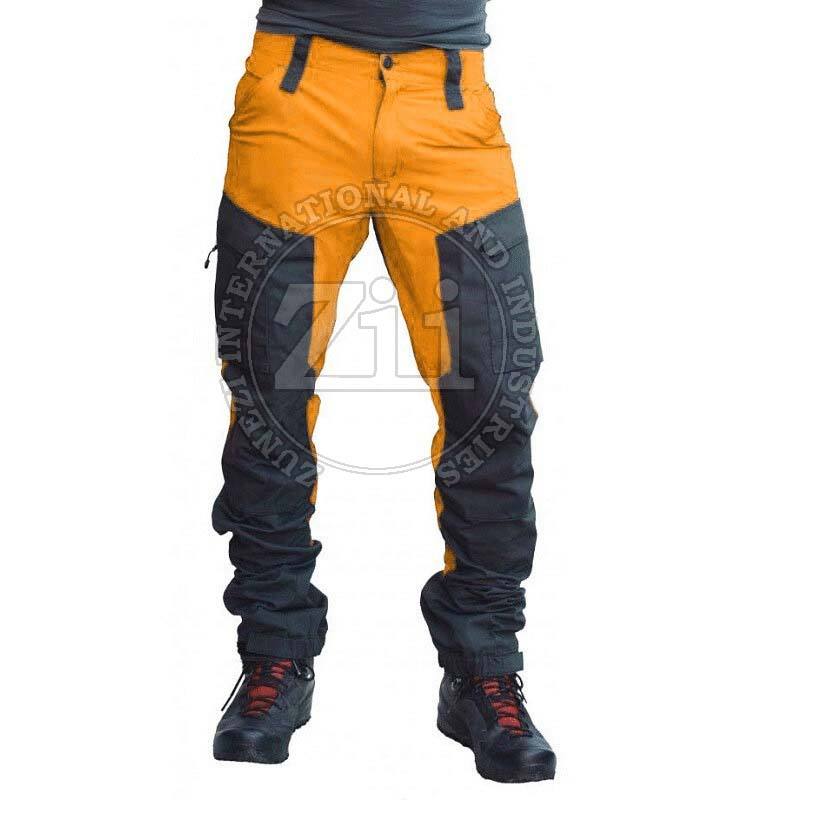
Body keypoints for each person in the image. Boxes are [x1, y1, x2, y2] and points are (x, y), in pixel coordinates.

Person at [210, 0, 555, 782]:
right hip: (297, 91)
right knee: (268, 394)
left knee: (492, 394)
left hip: (447, 100)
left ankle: (483, 670)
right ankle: (273, 656)